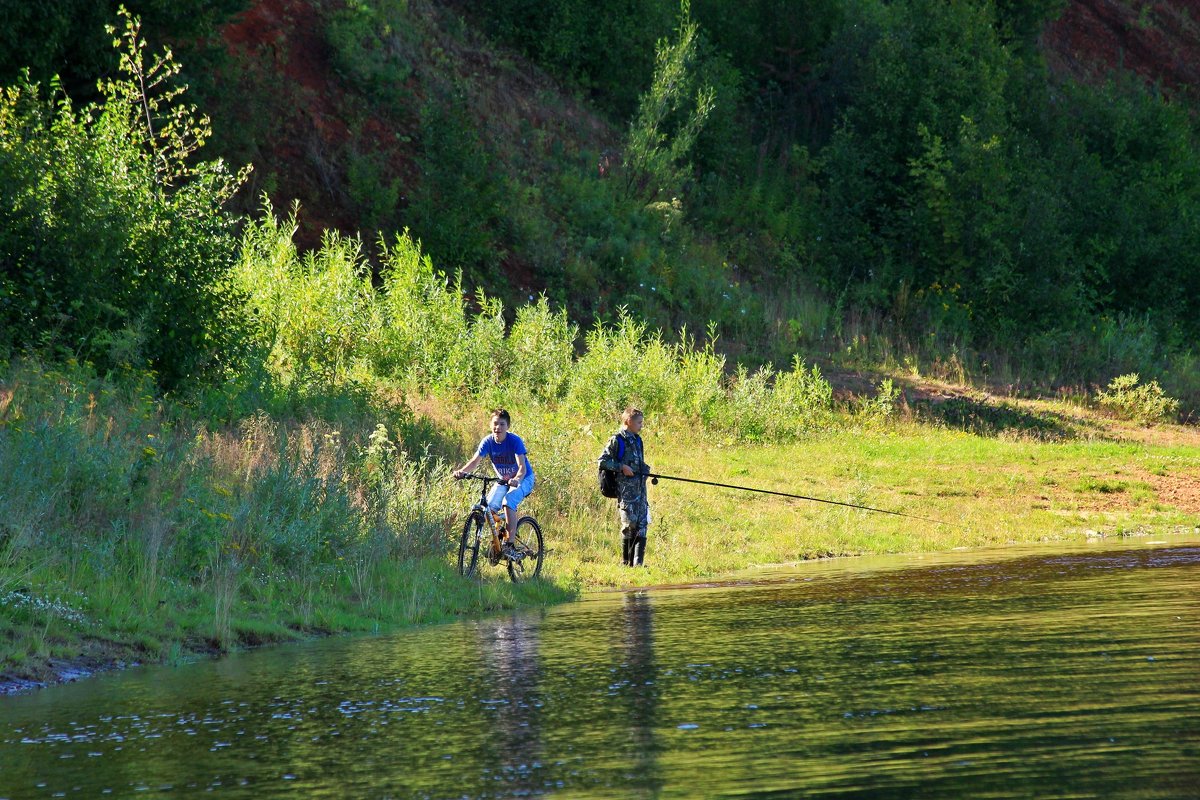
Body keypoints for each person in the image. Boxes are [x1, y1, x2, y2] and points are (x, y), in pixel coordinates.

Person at [454, 409, 535, 558]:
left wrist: (516, 479)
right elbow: (474, 461)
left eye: (502, 424)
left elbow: (522, 467)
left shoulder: (514, 441)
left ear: (508, 427)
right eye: (495, 424)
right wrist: (462, 472)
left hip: (524, 479)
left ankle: (509, 545)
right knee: (488, 510)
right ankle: (499, 538)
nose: (498, 427)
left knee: (508, 501)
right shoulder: (488, 442)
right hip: (504, 481)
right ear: (491, 425)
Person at [598, 407, 650, 566]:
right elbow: (603, 461)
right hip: (626, 492)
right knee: (629, 525)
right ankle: (625, 562)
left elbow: (638, 462)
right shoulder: (617, 439)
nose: (641, 426)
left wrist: (645, 470)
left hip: (641, 491)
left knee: (642, 524)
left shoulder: (638, 440)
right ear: (629, 422)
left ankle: (638, 563)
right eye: (639, 422)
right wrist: (621, 468)